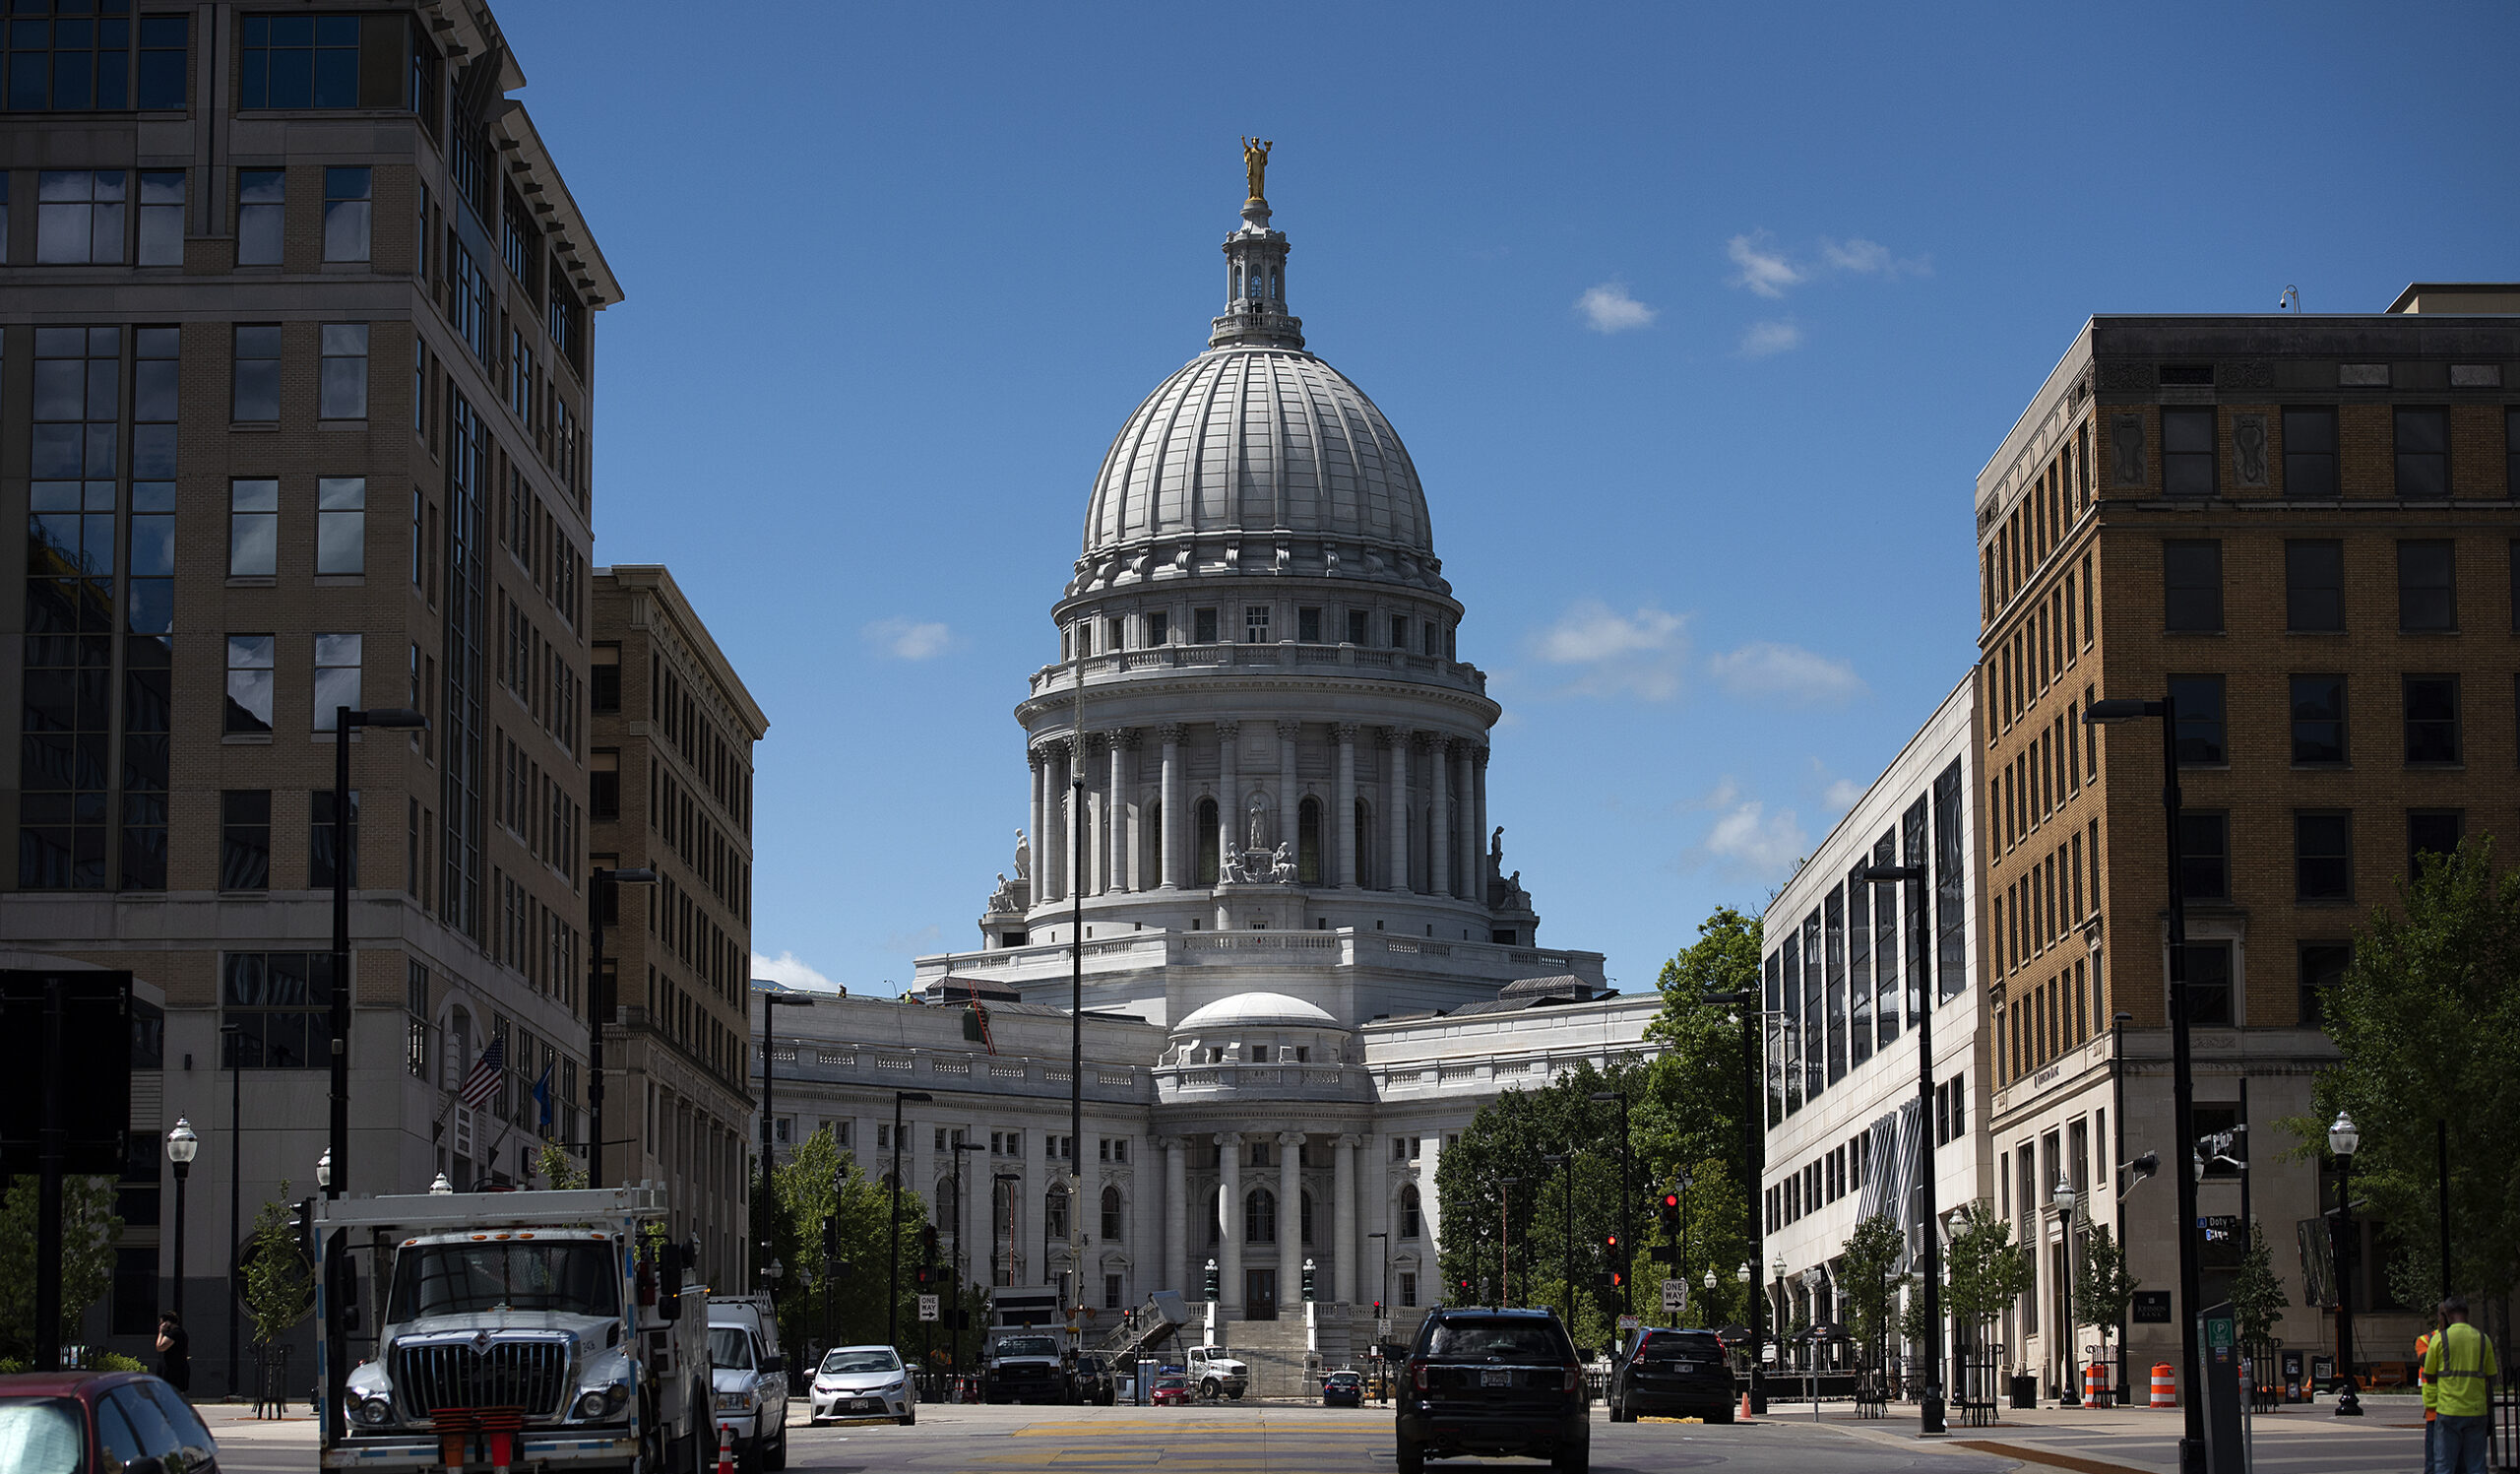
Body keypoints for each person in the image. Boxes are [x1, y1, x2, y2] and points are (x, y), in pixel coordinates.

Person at [2425, 1295, 2498, 1474]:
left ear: (2448, 1315)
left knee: (2444, 1465)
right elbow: (2491, 1378)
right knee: (2476, 1466)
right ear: (2467, 1313)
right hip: (2476, 1411)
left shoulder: (2439, 1340)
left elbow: (2429, 1375)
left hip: (2448, 1409)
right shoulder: (2483, 1339)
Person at [2416, 1322, 2438, 1474]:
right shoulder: (2477, 1338)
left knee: (2436, 1462)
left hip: (2436, 1409)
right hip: (2472, 1409)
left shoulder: (2427, 1340)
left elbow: (2427, 1366)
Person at [154, 1312, 190, 1392]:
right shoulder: (180, 1332)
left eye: (162, 1323)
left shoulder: (174, 1333)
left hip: (173, 1371)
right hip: (175, 1369)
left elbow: (160, 1347)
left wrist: (161, 1332)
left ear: (167, 1323)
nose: (160, 1325)